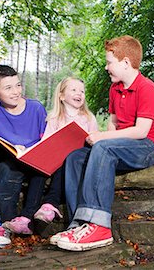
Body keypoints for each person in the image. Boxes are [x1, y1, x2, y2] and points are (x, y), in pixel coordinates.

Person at [51, 35, 154, 251]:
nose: (106, 67)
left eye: (109, 62)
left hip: (147, 147)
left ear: (125, 63)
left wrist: (101, 139)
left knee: (102, 147)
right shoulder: (115, 89)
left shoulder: (146, 87)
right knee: (76, 157)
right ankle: (80, 224)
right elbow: (113, 124)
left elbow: (142, 131)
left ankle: (99, 226)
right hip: (120, 145)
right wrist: (99, 141)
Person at [0, 65, 47, 248]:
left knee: (9, 169)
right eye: (8, 88)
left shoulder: (36, 108)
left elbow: (46, 139)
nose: (16, 92)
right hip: (8, 159)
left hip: (32, 161)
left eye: (18, 85)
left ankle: (0, 223)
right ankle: (1, 220)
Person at [33, 77, 99, 224]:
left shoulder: (88, 118)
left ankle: (51, 203)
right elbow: (46, 143)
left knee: (69, 161)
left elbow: (96, 142)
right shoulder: (55, 118)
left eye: (82, 91)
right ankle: (44, 208)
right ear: (62, 96)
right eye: (74, 90)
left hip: (81, 159)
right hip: (58, 161)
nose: (79, 94)